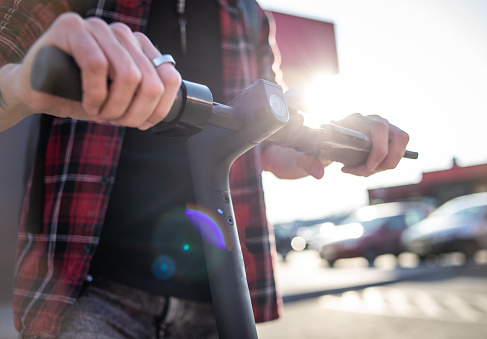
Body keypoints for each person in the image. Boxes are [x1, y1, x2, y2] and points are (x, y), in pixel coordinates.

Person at [0, 0, 410, 338]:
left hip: (217, 300)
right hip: (92, 295)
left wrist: (332, 142)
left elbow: (265, 142)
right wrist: (21, 85)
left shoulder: (248, 13)